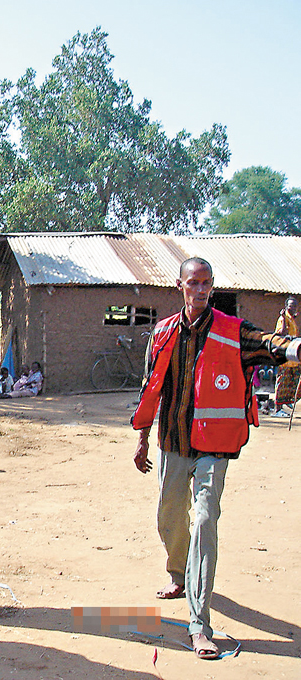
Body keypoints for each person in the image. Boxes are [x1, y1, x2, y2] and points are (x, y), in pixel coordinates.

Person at [132, 257, 301, 660]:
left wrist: (295, 346)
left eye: (207, 284)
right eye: (194, 283)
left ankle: (199, 624)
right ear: (180, 286)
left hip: (214, 448)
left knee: (205, 521)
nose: (201, 290)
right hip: (172, 443)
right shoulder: (162, 334)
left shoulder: (231, 331)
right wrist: (141, 439)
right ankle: (179, 572)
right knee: (169, 516)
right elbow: (149, 387)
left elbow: (266, 343)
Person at [273, 296, 299, 416]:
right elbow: (281, 333)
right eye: (290, 306)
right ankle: (277, 409)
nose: (292, 308)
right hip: (284, 355)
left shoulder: (292, 319)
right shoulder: (282, 319)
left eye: (294, 306)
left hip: (292, 355)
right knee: (282, 380)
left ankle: (288, 400)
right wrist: (283, 319)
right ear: (286, 307)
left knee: (292, 380)